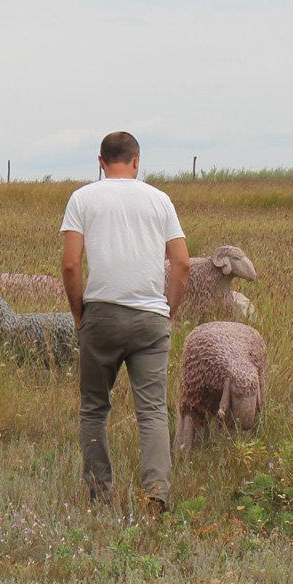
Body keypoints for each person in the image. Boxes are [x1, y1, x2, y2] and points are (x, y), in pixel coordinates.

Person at [59, 131, 189, 512]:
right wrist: (169, 309)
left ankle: (99, 493)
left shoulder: (83, 198)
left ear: (100, 162)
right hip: (151, 316)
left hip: (101, 314)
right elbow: (181, 263)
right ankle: (156, 492)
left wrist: (79, 312)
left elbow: (70, 264)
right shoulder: (159, 199)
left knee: (95, 407)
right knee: (151, 409)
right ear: (137, 161)